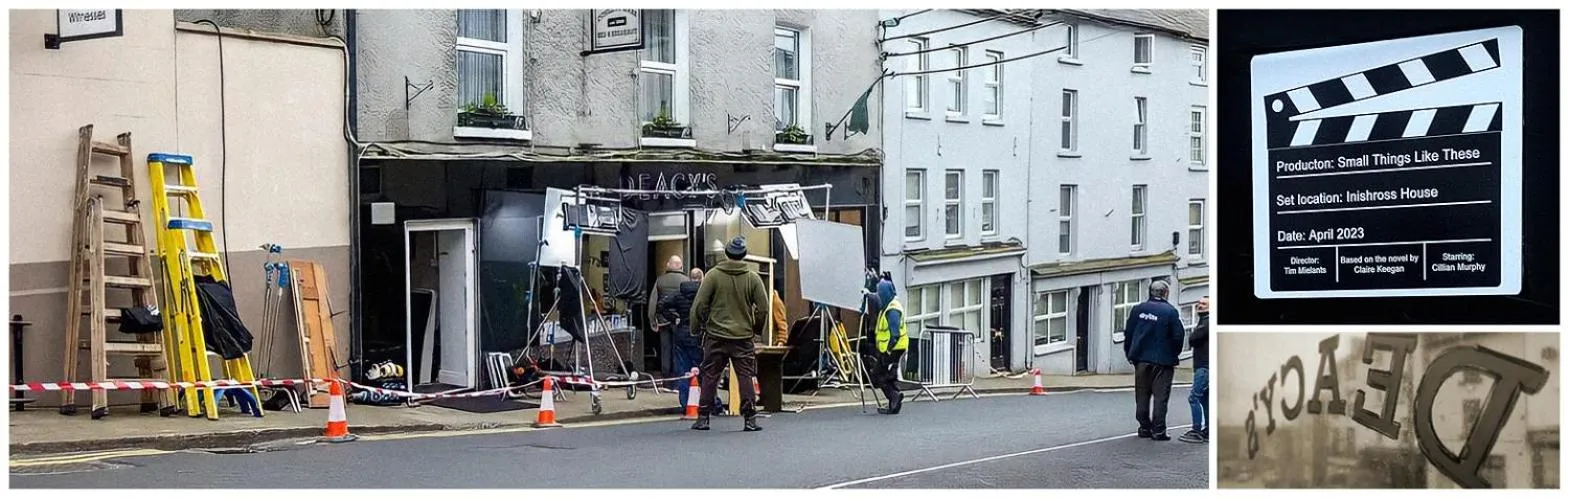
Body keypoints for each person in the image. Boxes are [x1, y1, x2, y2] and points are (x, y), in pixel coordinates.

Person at [689, 236, 770, 432]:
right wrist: (756, 328)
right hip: (742, 336)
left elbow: (699, 305)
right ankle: (749, 418)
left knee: (710, 376)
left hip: (716, 335)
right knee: (745, 376)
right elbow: (763, 308)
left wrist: (696, 328)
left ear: (726, 253)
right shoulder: (752, 278)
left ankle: (703, 417)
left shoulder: (713, 276)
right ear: (744, 255)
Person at [1122, 280, 1185, 441]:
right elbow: (1178, 336)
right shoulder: (1170, 312)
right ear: (1165, 293)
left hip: (1141, 359)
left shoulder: (1138, 309)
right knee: (1160, 397)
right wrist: (1173, 353)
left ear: (1150, 292)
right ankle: (1158, 431)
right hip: (1162, 361)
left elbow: (1128, 332)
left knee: (1142, 394)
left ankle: (1144, 427)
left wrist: (1130, 353)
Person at [659, 268, 705, 410]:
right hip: (698, 334)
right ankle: (703, 402)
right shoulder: (704, 295)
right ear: (701, 278)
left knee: (683, 369)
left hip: (681, 334)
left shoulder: (679, 294)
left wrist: (674, 319)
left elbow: (661, 305)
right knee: (702, 369)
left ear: (689, 278)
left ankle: (686, 403)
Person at [870, 278, 907, 415]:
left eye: (880, 293)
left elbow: (895, 334)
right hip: (891, 348)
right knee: (888, 375)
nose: (878, 295)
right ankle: (894, 401)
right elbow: (875, 297)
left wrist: (888, 351)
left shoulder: (892, 311)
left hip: (893, 349)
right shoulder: (888, 304)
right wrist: (868, 293)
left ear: (885, 294)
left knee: (878, 376)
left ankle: (894, 396)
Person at [648, 255, 689, 374]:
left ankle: (666, 376)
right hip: (680, 320)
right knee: (678, 349)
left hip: (663, 320)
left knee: (665, 349)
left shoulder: (660, 280)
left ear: (668, 265)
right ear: (681, 266)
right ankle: (676, 377)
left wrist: (652, 320)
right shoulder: (686, 281)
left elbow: (653, 301)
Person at [1180, 296, 1210, 444]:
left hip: (1204, 367)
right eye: (1198, 303)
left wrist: (1193, 336)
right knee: (1205, 398)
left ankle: (1196, 430)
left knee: (1194, 397)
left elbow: (1193, 338)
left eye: (1204, 304)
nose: (1200, 306)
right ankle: (1209, 430)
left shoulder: (1207, 322)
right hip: (1206, 366)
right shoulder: (1205, 321)